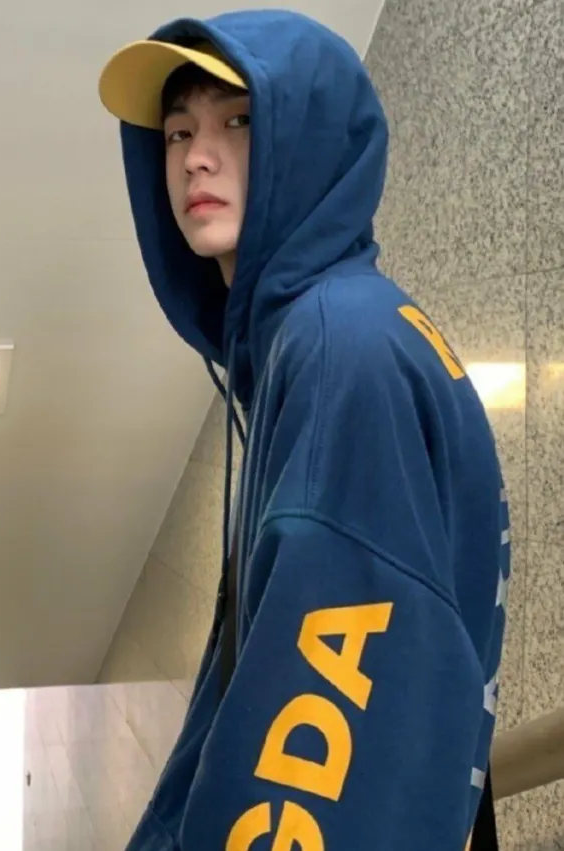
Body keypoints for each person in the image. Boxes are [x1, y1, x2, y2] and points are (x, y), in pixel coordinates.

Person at [98, 9, 508, 851]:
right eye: (177, 132)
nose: (196, 156)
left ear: (311, 140)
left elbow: (320, 737)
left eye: (238, 122)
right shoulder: (342, 329)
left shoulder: (336, 349)